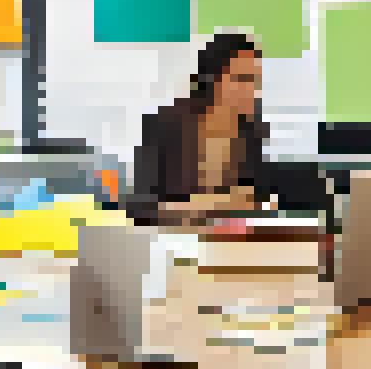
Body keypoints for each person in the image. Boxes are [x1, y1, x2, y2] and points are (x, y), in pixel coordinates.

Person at [129, 33, 327, 226]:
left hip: (230, 243)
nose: (252, 90)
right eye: (242, 79)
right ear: (212, 80)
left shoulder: (251, 130)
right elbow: (141, 208)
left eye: (255, 81)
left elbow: (252, 199)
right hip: (173, 245)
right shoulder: (165, 126)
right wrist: (215, 203)